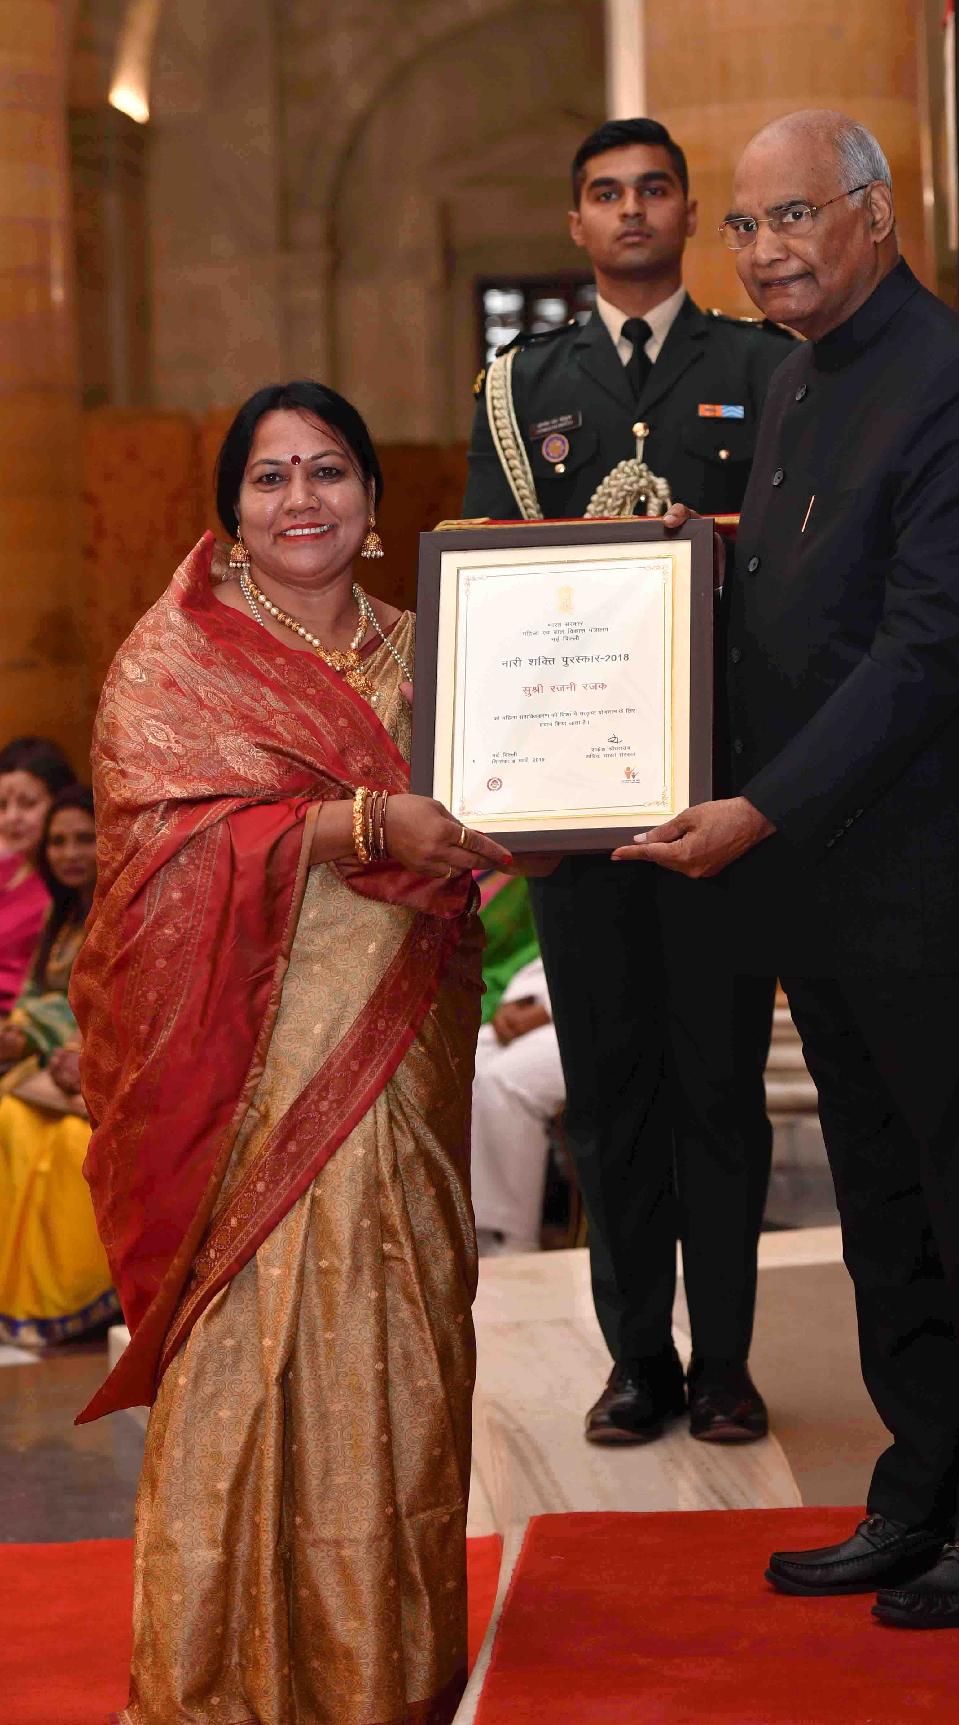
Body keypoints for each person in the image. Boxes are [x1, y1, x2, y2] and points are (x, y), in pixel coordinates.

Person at [619, 111, 959, 1627]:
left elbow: (929, 646)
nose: (764, 251)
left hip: (947, 891)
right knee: (885, 1213)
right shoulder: (793, 379)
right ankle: (921, 1489)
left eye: (792, 216)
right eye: (744, 226)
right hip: (826, 892)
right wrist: (686, 567)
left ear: (873, 215)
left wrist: (755, 809)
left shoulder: (955, 382)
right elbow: (801, 588)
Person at [73, 381, 516, 1725]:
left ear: (374, 502)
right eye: (270, 478)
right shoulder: (173, 663)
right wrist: (356, 827)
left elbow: (519, 797)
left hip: (405, 1036)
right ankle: (215, 1680)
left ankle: (380, 1668)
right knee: (239, 1355)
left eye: (328, 470)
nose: (301, 498)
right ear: (232, 512)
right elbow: (149, 858)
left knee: (401, 1323)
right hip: (240, 1077)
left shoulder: (443, 648)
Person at [463, 116, 793, 1447]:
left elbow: (799, 575)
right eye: (606, 194)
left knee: (718, 1087)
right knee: (606, 1093)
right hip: (579, 806)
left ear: (689, 212)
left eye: (655, 189)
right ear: (576, 224)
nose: (632, 210)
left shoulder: (765, 366)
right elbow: (492, 591)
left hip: (718, 797)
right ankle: (636, 1360)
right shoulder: (517, 386)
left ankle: (726, 1363)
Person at [0, 785, 117, 1345]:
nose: (69, 853)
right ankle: (25, 1303)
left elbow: (120, 1006)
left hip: (112, 1073)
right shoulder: (63, 914)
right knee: (12, 1119)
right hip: (58, 1070)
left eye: (83, 839)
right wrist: (26, 1032)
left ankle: (79, 1302)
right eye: (58, 842)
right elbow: (35, 999)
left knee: (72, 1145)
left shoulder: (124, 910)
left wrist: (60, 1040)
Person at [472, 951, 564, 1256]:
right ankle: (472, 1229)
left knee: (504, 1082)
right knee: (466, 1061)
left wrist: (547, 1009)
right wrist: (517, 1001)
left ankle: (513, 1239)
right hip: (551, 998)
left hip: (601, 1017)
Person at [0, 736, 75, 1015]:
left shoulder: (67, 885)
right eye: (2, 805)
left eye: (28, 804)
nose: (11, 817)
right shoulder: (7, 868)